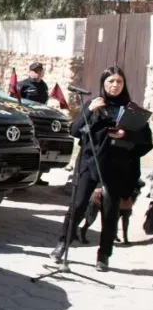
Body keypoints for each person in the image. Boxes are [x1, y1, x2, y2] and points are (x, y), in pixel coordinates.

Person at [50, 67, 153, 271]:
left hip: (116, 166)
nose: (114, 85)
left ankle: (104, 255)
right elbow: (74, 130)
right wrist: (88, 111)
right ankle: (63, 244)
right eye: (110, 82)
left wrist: (125, 135)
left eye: (119, 82)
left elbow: (146, 140)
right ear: (103, 84)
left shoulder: (132, 109)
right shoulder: (94, 104)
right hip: (90, 161)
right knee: (78, 205)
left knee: (110, 210)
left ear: (124, 85)